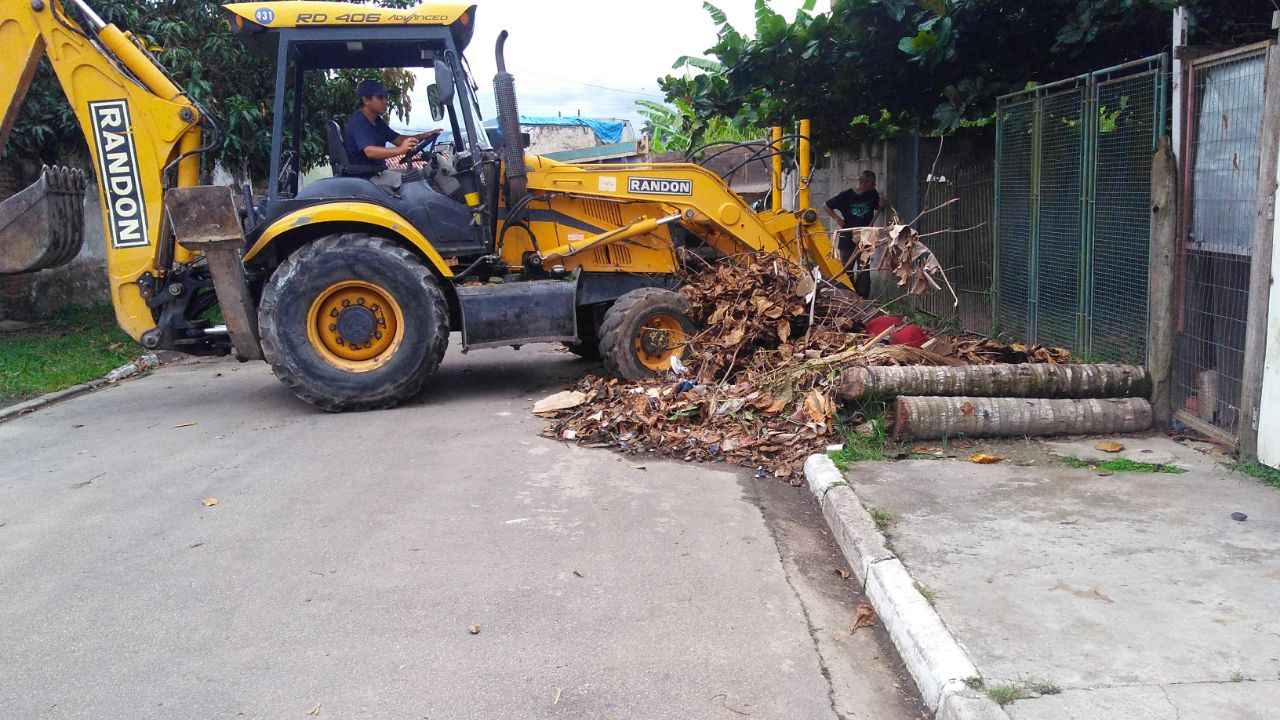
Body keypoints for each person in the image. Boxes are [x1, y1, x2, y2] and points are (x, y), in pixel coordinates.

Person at [343, 78, 441, 183]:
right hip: (366, 178)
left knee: (423, 174)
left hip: (378, 172)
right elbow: (370, 151)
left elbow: (399, 140)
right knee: (417, 181)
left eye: (385, 97)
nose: (385, 101)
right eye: (380, 97)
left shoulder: (377, 121)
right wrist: (400, 150)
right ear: (366, 100)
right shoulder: (359, 122)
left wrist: (424, 135)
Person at [824, 170, 882, 298]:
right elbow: (826, 206)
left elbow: (879, 206)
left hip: (866, 237)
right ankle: (847, 296)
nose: (874, 186)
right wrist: (838, 219)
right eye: (872, 183)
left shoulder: (873, 194)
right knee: (846, 268)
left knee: (864, 269)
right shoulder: (846, 196)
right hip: (847, 236)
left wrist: (882, 204)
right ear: (864, 182)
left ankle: (862, 298)